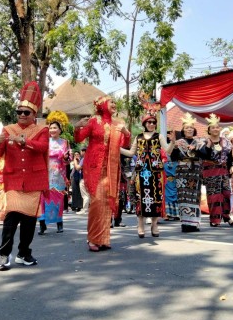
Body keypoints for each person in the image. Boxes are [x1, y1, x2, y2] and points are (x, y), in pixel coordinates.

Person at [0, 81, 49, 269]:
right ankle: (4, 255)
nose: (22, 115)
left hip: (34, 181)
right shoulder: (8, 130)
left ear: (34, 115)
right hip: (14, 179)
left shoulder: (42, 130)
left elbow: (43, 147)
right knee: (11, 217)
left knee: (29, 221)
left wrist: (24, 142)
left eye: (26, 113)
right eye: (19, 112)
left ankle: (24, 253)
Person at [74, 96, 131, 252]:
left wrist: (126, 133)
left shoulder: (118, 123)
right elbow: (79, 138)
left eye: (114, 102)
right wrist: (77, 126)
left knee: (106, 202)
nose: (114, 104)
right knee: (97, 201)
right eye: (111, 102)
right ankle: (93, 238)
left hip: (111, 168)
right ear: (102, 105)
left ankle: (103, 239)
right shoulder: (94, 121)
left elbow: (125, 144)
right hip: (94, 167)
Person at [121, 104, 171, 238]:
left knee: (156, 198)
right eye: (149, 122)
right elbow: (131, 153)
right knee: (140, 198)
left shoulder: (159, 136)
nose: (152, 124)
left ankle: (154, 225)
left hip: (156, 172)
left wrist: (173, 142)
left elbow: (167, 150)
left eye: (154, 122)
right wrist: (117, 148)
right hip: (141, 172)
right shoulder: (138, 137)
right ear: (144, 123)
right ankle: (140, 225)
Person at [37, 111, 71, 235]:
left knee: (58, 198)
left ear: (60, 129)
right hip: (45, 173)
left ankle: (59, 223)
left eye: (55, 128)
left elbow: (68, 159)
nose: (52, 130)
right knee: (43, 199)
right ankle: (42, 225)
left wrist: (66, 157)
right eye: (50, 128)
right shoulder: (45, 141)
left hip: (59, 174)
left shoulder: (65, 142)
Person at [170, 113, 204, 232]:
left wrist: (197, 150)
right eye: (186, 128)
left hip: (195, 172)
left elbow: (205, 155)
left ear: (194, 129)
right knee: (183, 197)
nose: (189, 129)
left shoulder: (199, 142)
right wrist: (174, 146)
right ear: (183, 130)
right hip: (182, 172)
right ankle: (185, 223)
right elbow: (173, 158)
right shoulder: (179, 142)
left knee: (194, 197)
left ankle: (194, 223)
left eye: (191, 127)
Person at [199, 113, 233, 227]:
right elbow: (204, 156)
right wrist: (208, 145)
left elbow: (230, 156)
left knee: (227, 194)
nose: (215, 129)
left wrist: (231, 166)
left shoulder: (226, 141)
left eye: (217, 127)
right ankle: (214, 219)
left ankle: (227, 216)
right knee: (214, 195)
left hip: (223, 171)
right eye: (212, 127)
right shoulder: (204, 142)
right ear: (209, 130)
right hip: (211, 171)